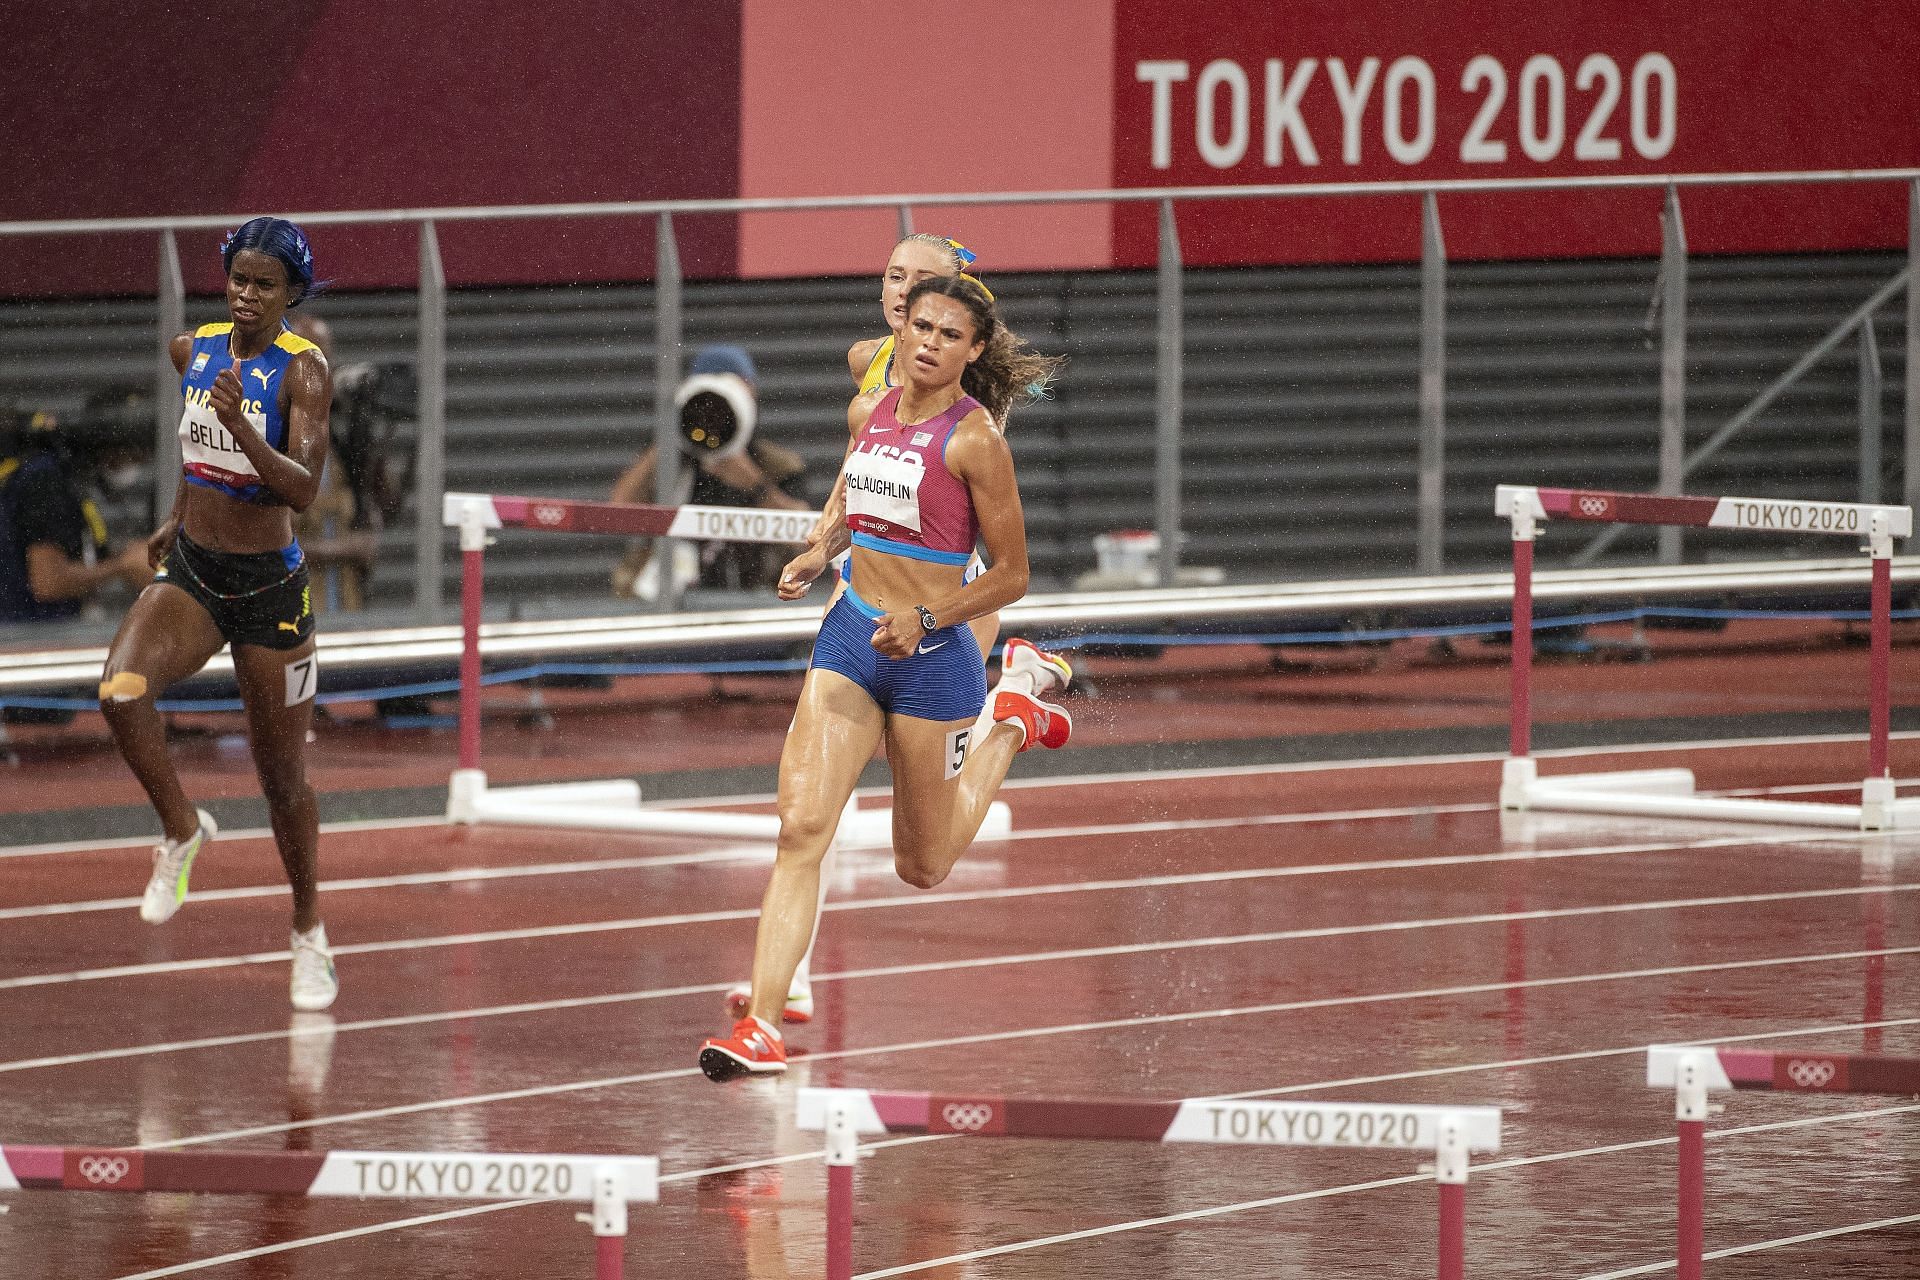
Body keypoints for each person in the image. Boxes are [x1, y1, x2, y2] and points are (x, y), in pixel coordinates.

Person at [699, 275, 1072, 1080]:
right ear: (901, 332)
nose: (929, 341)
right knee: (801, 829)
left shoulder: (976, 442)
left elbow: (1013, 575)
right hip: (851, 638)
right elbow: (853, 502)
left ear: (972, 353)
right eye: (920, 325)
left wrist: (933, 620)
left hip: (934, 660)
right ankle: (762, 1026)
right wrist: (818, 550)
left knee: (923, 866)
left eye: (948, 333)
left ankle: (1012, 710)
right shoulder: (870, 414)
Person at [98, 215, 339, 1012]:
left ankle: (308, 930)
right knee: (121, 693)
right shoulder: (191, 350)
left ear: (292, 295)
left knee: (281, 782)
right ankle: (180, 829)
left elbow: (303, 489)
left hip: (271, 588)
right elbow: (192, 442)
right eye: (237, 278)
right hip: (197, 572)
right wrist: (176, 508)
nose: (245, 295)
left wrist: (242, 424)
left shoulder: (304, 372)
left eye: (264, 285)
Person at [610, 344, 811, 597]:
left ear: (752, 395)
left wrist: (757, 486)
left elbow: (807, 541)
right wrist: (672, 434)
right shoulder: (671, 459)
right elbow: (618, 512)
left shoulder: (777, 464)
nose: (716, 416)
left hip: (756, 600)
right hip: (669, 599)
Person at [0, 407, 153, 624]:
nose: (136, 464)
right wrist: (123, 566)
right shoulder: (44, 479)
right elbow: (48, 582)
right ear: (110, 448)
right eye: (132, 455)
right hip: (28, 639)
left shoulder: (59, 477)